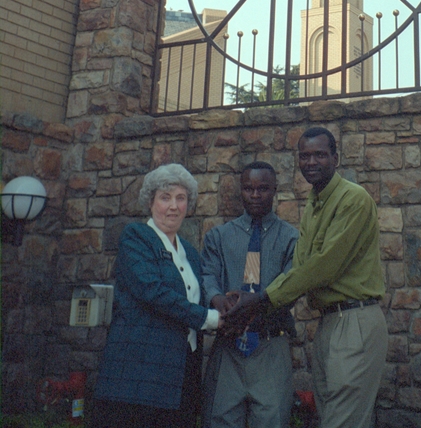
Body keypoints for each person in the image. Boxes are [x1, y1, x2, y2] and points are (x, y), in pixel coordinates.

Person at [225, 127, 388, 428]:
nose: (311, 162)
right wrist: (255, 302)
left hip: (355, 320)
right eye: (305, 156)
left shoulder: (353, 199)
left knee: (344, 421)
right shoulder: (314, 204)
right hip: (328, 322)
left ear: (335, 158)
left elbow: (324, 266)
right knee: (330, 418)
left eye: (320, 155)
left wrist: (262, 300)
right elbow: (299, 267)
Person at [92, 163, 220, 428]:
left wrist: (229, 305)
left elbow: (200, 297)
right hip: (138, 376)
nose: (173, 206)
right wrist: (209, 318)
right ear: (150, 202)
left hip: (182, 375)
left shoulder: (190, 253)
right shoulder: (136, 238)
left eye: (181, 198)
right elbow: (153, 292)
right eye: (165, 197)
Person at [200, 162, 298, 428]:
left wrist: (258, 304)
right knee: (218, 420)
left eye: (263, 188)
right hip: (228, 348)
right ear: (240, 191)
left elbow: (293, 285)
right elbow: (207, 275)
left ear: (275, 190)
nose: (255, 195)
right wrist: (217, 299)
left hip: (270, 347)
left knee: (271, 420)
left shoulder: (292, 239)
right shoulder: (218, 237)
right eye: (248, 188)